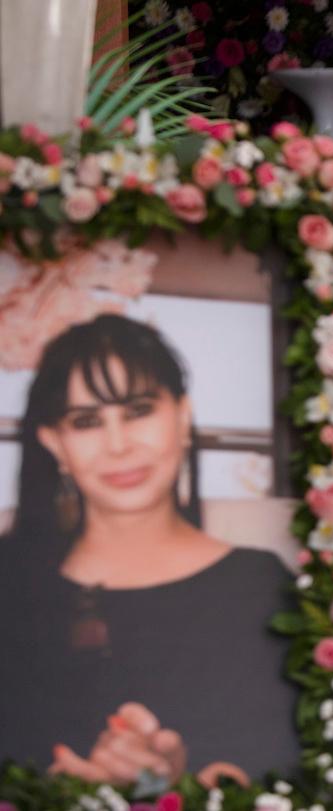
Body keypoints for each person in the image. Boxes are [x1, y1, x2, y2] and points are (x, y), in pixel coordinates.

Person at [0, 314, 298, 783]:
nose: (118, 445)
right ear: (54, 443)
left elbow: (283, 764)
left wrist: (170, 782)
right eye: (86, 421)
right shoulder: (9, 582)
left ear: (182, 416)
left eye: (138, 410)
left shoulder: (258, 584)